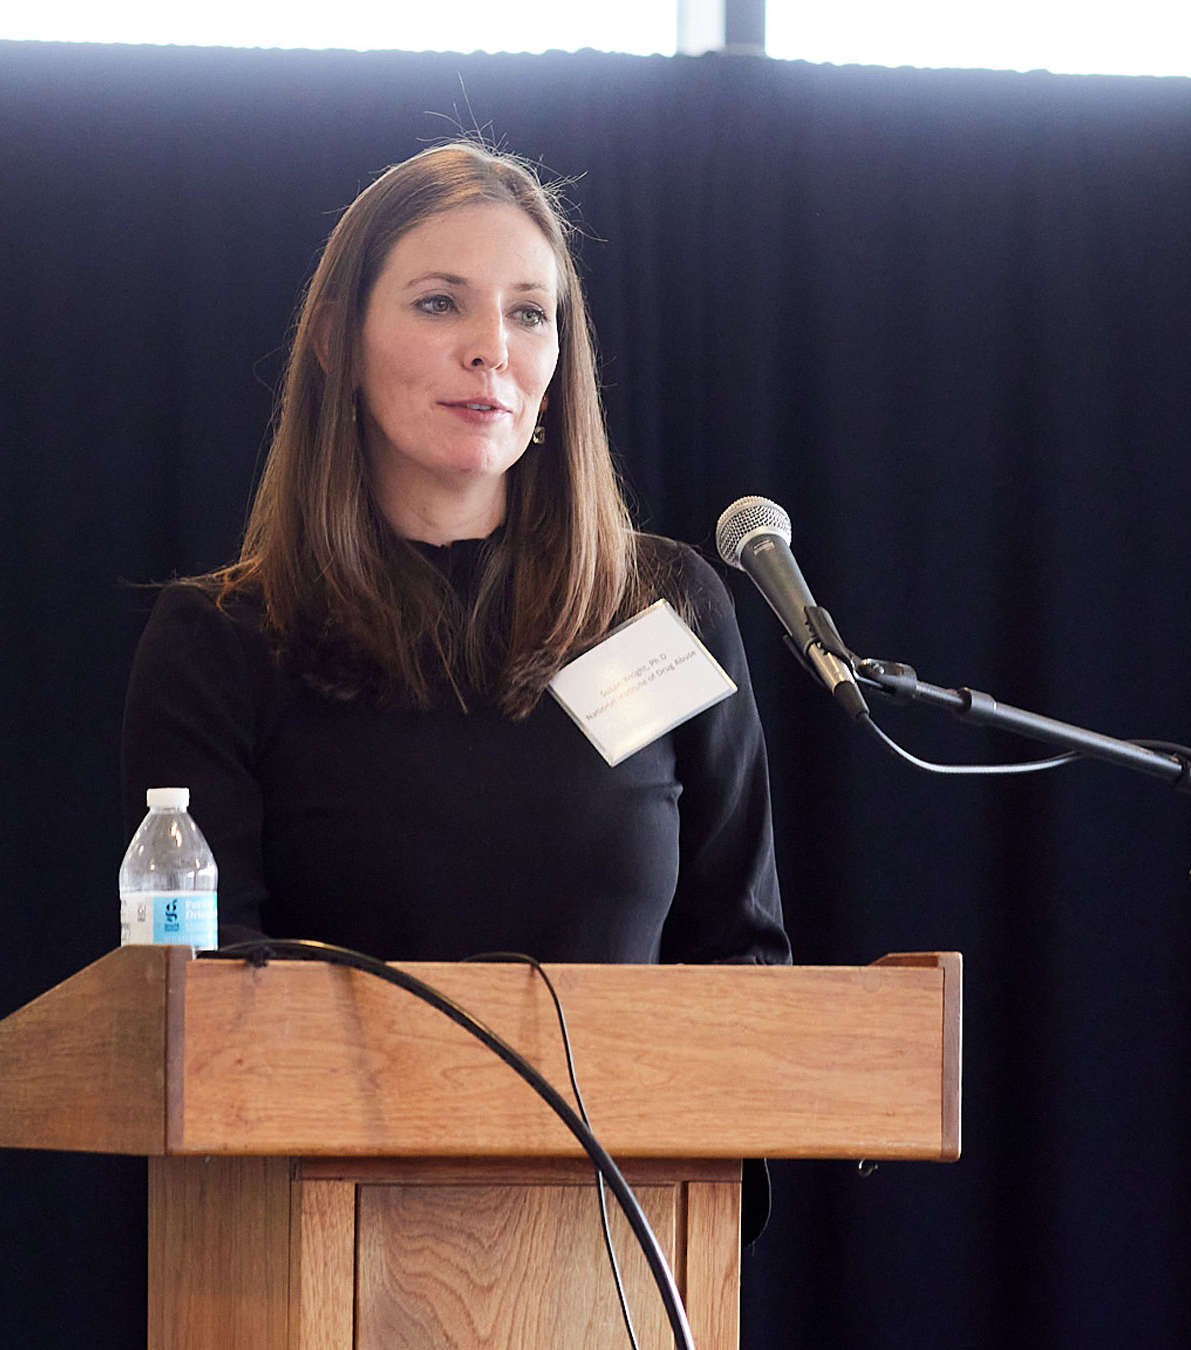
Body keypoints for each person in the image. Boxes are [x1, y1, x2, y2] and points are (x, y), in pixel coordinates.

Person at [120, 141, 788, 968]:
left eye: (529, 313)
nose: (492, 349)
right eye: (440, 304)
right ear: (338, 343)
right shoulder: (218, 643)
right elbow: (201, 1001)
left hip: (629, 1103)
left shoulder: (663, 608)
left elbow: (743, 964)